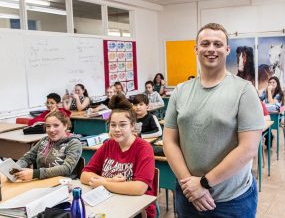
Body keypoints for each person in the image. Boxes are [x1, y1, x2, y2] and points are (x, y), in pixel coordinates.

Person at [163, 23, 265, 217]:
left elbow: (248, 149)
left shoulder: (244, 91)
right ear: (196, 49)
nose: (211, 49)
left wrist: (203, 184)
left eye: (218, 44)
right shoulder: (180, 91)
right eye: (205, 43)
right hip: (188, 197)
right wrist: (190, 186)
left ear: (227, 50)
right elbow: (169, 141)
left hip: (232, 202)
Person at [80, 107, 156, 218]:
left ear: (132, 126)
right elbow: (84, 175)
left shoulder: (144, 148)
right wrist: (109, 180)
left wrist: (104, 184)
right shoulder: (108, 145)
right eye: (113, 125)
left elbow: (140, 188)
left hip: (136, 208)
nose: (116, 129)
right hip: (107, 202)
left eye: (122, 125)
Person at [15, 111, 82, 181]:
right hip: (42, 180)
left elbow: (66, 169)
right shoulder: (44, 140)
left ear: (65, 126)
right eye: (48, 126)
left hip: (63, 183)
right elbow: (28, 157)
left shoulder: (74, 143)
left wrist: (35, 173)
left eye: (56, 125)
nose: (51, 130)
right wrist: (15, 168)